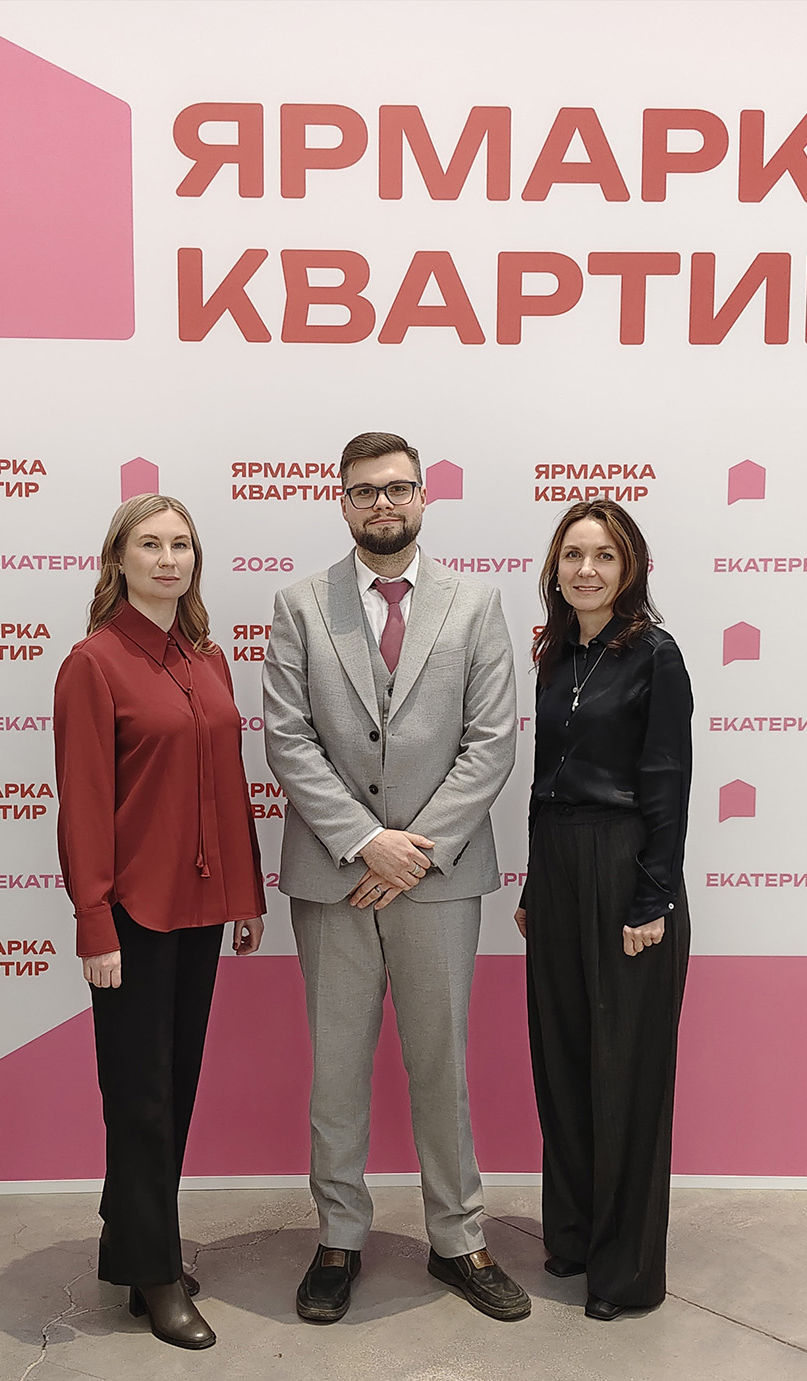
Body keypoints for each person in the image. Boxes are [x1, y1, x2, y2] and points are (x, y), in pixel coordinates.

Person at [263, 431, 529, 1323]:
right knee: (336, 1071)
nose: (383, 502)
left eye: (398, 487)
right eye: (365, 490)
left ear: (422, 497)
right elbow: (288, 738)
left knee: (440, 1065)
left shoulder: (475, 603)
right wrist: (364, 841)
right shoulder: (300, 605)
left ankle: (458, 1239)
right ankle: (339, 1236)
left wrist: (412, 849)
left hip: (438, 879)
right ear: (341, 501)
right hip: (334, 877)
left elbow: (491, 740)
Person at [53, 494, 265, 1350]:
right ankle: (156, 1273)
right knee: (139, 1098)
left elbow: (229, 783)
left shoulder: (207, 659)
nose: (168, 558)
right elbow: (83, 805)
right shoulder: (93, 663)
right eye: (150, 543)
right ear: (119, 559)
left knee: (172, 1090)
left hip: (203, 908)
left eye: (181, 544)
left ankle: (135, 1247)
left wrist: (245, 894)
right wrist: (93, 921)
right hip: (133, 914)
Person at [515, 499, 693, 1321]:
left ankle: (624, 1272)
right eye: (573, 554)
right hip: (557, 869)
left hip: (626, 871)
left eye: (605, 556)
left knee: (625, 1075)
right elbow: (542, 778)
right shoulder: (555, 655)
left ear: (631, 569)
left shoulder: (656, 655)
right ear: (555, 567)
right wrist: (532, 883)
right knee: (563, 1063)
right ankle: (576, 1236)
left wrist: (653, 897)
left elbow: (667, 781)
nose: (586, 569)